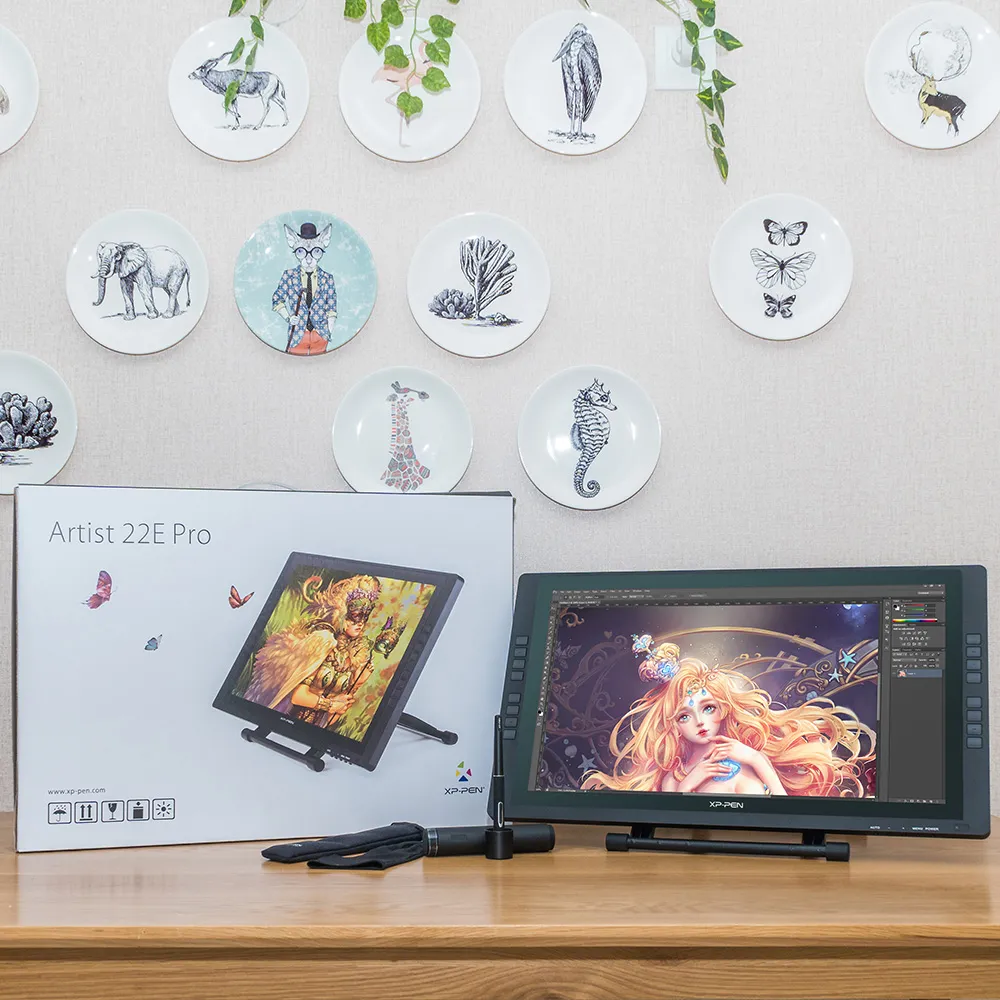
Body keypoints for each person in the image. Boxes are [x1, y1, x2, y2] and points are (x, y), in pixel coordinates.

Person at [582, 642, 875, 797]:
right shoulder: (675, 777)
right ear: (674, 725)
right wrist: (688, 785)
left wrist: (758, 759)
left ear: (723, 709)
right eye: (685, 715)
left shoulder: (749, 757)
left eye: (708, 708)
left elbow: (785, 812)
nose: (699, 722)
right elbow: (672, 824)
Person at [244, 574, 382, 730]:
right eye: (355, 616)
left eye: (365, 617)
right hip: (283, 717)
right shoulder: (323, 640)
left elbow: (329, 720)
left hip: (305, 730)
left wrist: (356, 685)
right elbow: (298, 696)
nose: (360, 623)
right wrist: (331, 705)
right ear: (343, 612)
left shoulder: (352, 657)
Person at [271, 222, 338, 356]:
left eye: (316, 252)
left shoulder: (328, 278)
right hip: (297, 334)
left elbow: (331, 308)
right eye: (301, 252)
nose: (308, 259)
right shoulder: (289, 276)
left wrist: (328, 331)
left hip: (320, 334)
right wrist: (288, 317)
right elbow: (277, 299)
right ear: (292, 243)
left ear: (325, 242)